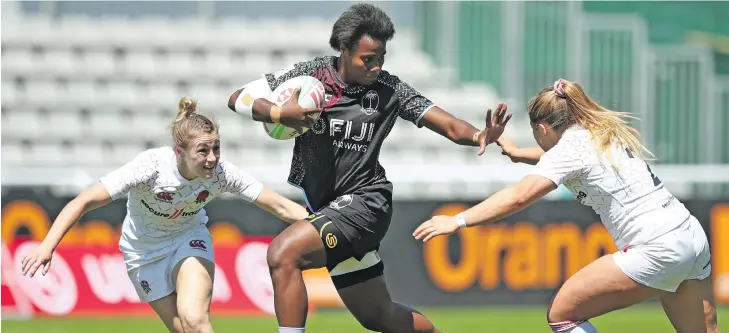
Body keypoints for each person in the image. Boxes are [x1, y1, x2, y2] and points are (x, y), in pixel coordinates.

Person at [227, 3, 511, 332]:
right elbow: (238, 97)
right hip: (327, 209)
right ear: (344, 50)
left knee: (282, 254)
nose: (376, 67)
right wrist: (277, 114)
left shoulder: (390, 90)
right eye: (368, 58)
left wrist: (479, 134)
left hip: (365, 204)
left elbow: (447, 125)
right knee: (380, 317)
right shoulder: (311, 76)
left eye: (381, 58)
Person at [413, 78, 720, 333]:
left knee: (563, 314)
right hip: (690, 237)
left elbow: (520, 196)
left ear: (543, 129)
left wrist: (458, 220)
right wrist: (520, 153)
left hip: (655, 247)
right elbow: (569, 160)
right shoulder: (598, 132)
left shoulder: (571, 148)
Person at [20, 97, 310, 333]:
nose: (212, 158)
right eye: (203, 150)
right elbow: (83, 201)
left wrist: (324, 225)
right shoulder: (150, 167)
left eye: (216, 148)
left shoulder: (222, 174)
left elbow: (280, 206)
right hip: (142, 254)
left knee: (195, 320)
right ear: (179, 151)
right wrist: (47, 246)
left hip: (188, 238)